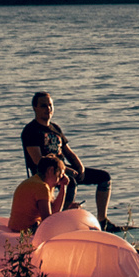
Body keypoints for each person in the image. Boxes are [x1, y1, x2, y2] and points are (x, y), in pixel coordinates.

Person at [21, 91, 114, 223]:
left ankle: (102, 220)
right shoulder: (31, 130)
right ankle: (61, 219)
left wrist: (80, 167)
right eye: (43, 106)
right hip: (45, 173)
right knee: (70, 181)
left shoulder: (55, 128)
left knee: (104, 177)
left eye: (50, 105)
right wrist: (67, 171)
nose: (48, 109)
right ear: (35, 108)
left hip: (63, 168)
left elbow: (68, 152)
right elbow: (38, 161)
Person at [7, 157, 63, 233]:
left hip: (14, 227)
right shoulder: (42, 187)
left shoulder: (31, 181)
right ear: (51, 170)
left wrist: (63, 186)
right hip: (26, 231)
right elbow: (48, 221)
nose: (59, 182)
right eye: (59, 176)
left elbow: (53, 211)